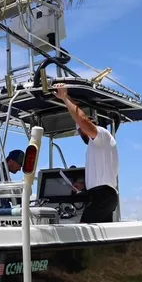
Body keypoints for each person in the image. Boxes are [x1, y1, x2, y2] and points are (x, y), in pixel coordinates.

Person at [53, 84, 119, 223]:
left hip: (103, 195)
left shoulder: (101, 135)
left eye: (80, 132)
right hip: (102, 195)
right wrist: (83, 186)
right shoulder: (96, 145)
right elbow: (101, 176)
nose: (80, 135)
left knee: (85, 229)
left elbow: (82, 120)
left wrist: (65, 98)